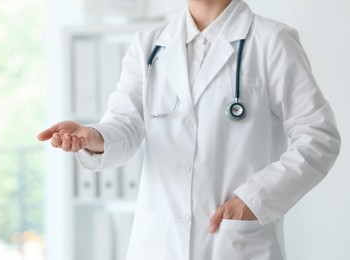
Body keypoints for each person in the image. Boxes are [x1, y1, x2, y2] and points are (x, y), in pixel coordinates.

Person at [38, 0, 341, 259]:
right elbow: (126, 123)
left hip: (235, 241)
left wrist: (254, 199)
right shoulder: (149, 45)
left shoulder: (272, 41)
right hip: (159, 243)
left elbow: (318, 137)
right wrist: (95, 137)